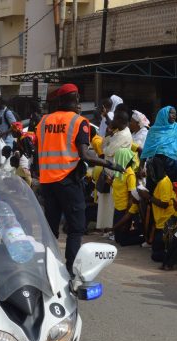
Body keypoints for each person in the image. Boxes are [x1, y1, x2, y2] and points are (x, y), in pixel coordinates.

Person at [35, 83, 121, 273]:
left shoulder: (43, 121)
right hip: (67, 181)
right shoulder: (78, 121)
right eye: (77, 99)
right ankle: (70, 270)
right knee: (76, 228)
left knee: (50, 230)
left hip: (47, 182)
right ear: (74, 99)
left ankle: (46, 268)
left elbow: (36, 152)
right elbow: (85, 154)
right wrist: (110, 164)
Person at [111, 148, 143, 246]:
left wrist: (127, 216)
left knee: (122, 241)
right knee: (118, 238)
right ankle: (138, 234)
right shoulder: (119, 172)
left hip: (125, 209)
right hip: (117, 206)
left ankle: (144, 238)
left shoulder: (130, 174)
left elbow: (131, 196)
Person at [149, 155, 177, 262]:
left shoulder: (164, 182)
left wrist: (149, 197)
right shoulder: (160, 182)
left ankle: (175, 257)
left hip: (166, 223)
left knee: (156, 255)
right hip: (161, 222)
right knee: (155, 250)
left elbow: (164, 204)